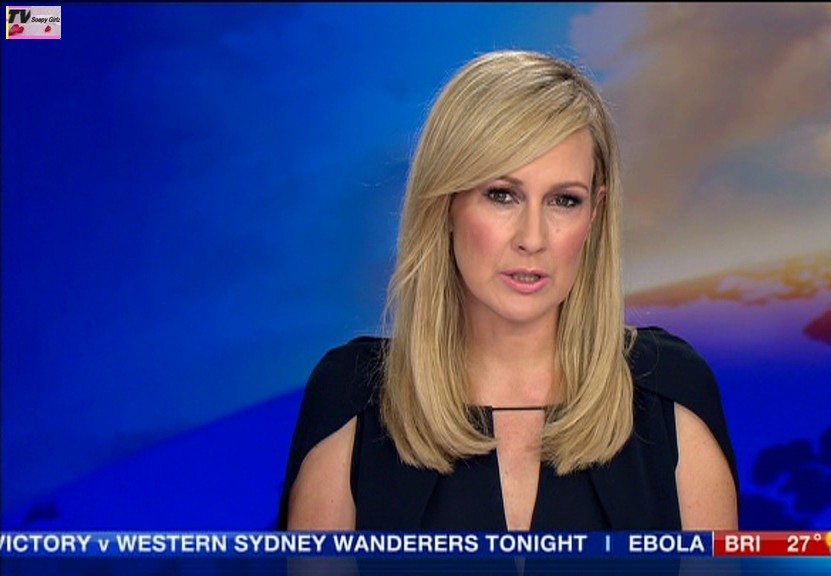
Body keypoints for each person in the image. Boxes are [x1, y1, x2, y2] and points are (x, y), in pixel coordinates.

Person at [278, 49, 737, 531]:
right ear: (445, 204)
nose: (532, 238)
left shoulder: (672, 395)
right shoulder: (350, 401)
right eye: (502, 195)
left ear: (595, 213)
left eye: (564, 200)